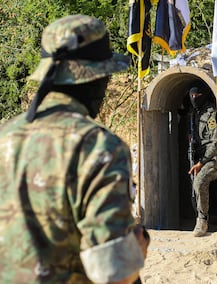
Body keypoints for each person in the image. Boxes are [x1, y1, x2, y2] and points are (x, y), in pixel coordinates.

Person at [0, 15, 147, 283]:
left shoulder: (5, 136)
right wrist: (138, 249)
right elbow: (115, 272)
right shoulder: (98, 148)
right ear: (96, 79)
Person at [187, 86, 217, 237]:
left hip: (212, 159)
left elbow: (215, 143)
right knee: (194, 187)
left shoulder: (211, 113)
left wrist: (202, 162)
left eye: (197, 95)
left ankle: (202, 220)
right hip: (198, 158)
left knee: (199, 182)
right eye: (191, 95)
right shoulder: (194, 113)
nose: (194, 98)